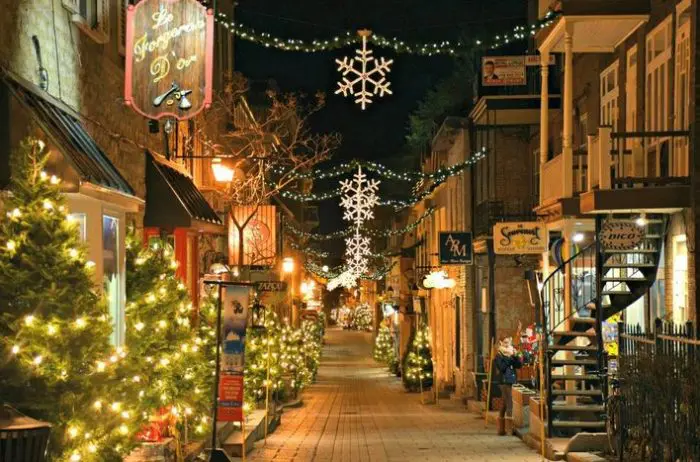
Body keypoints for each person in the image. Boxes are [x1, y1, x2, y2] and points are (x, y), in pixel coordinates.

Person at [494, 337, 522, 435]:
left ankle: (501, 428)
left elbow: (518, 365)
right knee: (510, 402)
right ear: (501, 342)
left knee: (505, 402)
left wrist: (515, 356)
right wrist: (509, 358)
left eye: (508, 342)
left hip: (512, 380)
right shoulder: (499, 355)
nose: (507, 344)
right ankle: (510, 428)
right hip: (504, 380)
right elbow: (502, 367)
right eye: (505, 342)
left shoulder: (511, 352)